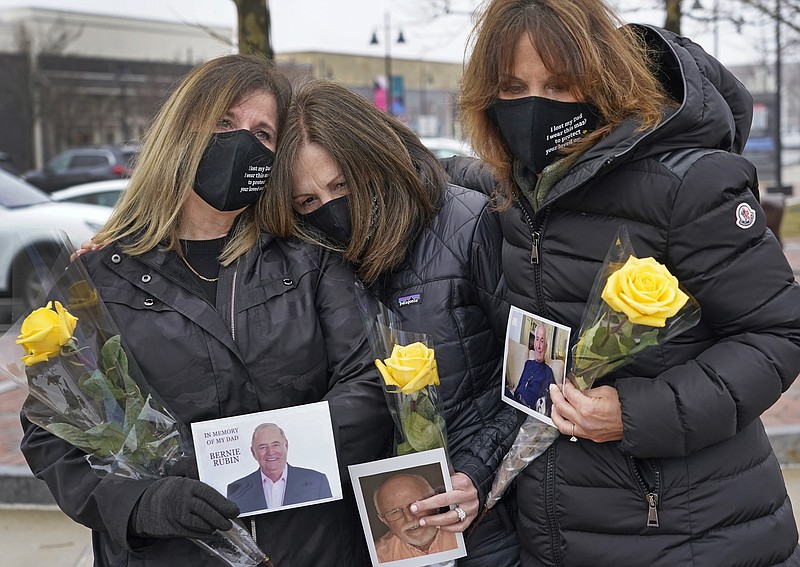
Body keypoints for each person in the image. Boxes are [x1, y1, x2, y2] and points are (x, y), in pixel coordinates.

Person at [441, 0, 800, 565]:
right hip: (555, 532)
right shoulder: (515, 195)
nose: (535, 106)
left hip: (690, 532)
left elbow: (778, 334)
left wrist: (636, 414)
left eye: (560, 84)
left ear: (605, 80)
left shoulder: (690, 184)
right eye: (512, 86)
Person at [20, 54, 391, 567]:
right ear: (181, 129)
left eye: (263, 133)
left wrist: (228, 462)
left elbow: (370, 388)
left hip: (311, 549)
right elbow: (50, 435)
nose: (242, 141)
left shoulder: (309, 261)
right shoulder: (96, 279)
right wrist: (142, 504)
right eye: (224, 121)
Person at [261, 78, 521, 566]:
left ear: (374, 157)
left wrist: (476, 474)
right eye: (308, 202)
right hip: (371, 534)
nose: (331, 208)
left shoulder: (467, 225)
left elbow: (536, 371)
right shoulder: (311, 261)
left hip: (483, 524)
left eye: (341, 185)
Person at [227, 423, 332, 514]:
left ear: (286, 445)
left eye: (275, 445)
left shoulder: (318, 481)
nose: (271, 452)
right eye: (263, 447)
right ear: (253, 452)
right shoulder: (236, 489)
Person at [373, 473, 458, 563]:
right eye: (395, 512)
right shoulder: (379, 557)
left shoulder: (463, 532)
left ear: (436, 501)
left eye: (416, 506)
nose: (409, 518)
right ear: (384, 520)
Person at [511, 324, 554, 414]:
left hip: (526, 409)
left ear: (546, 346)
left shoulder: (548, 371)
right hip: (514, 401)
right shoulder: (528, 363)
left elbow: (552, 398)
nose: (538, 346)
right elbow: (519, 385)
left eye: (542, 341)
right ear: (534, 343)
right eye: (537, 339)